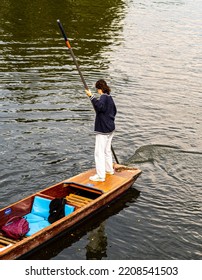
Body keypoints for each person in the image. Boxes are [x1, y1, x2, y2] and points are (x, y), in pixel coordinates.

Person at [85, 79, 117, 182]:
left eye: (97, 90)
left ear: (99, 89)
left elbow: (100, 107)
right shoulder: (110, 97)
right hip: (110, 128)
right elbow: (114, 111)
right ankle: (109, 170)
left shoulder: (103, 97)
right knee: (107, 151)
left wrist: (91, 96)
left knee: (99, 152)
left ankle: (100, 176)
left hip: (103, 130)